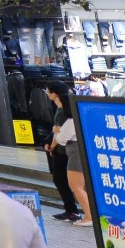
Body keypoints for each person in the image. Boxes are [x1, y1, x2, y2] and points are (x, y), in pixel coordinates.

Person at [42, 83, 81, 222]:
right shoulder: (64, 108)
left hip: (63, 150)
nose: (47, 94)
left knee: (61, 180)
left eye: (48, 91)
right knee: (62, 180)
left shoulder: (62, 110)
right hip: (66, 150)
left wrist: (52, 146)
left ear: (55, 94)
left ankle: (72, 210)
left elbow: (59, 133)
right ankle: (72, 210)